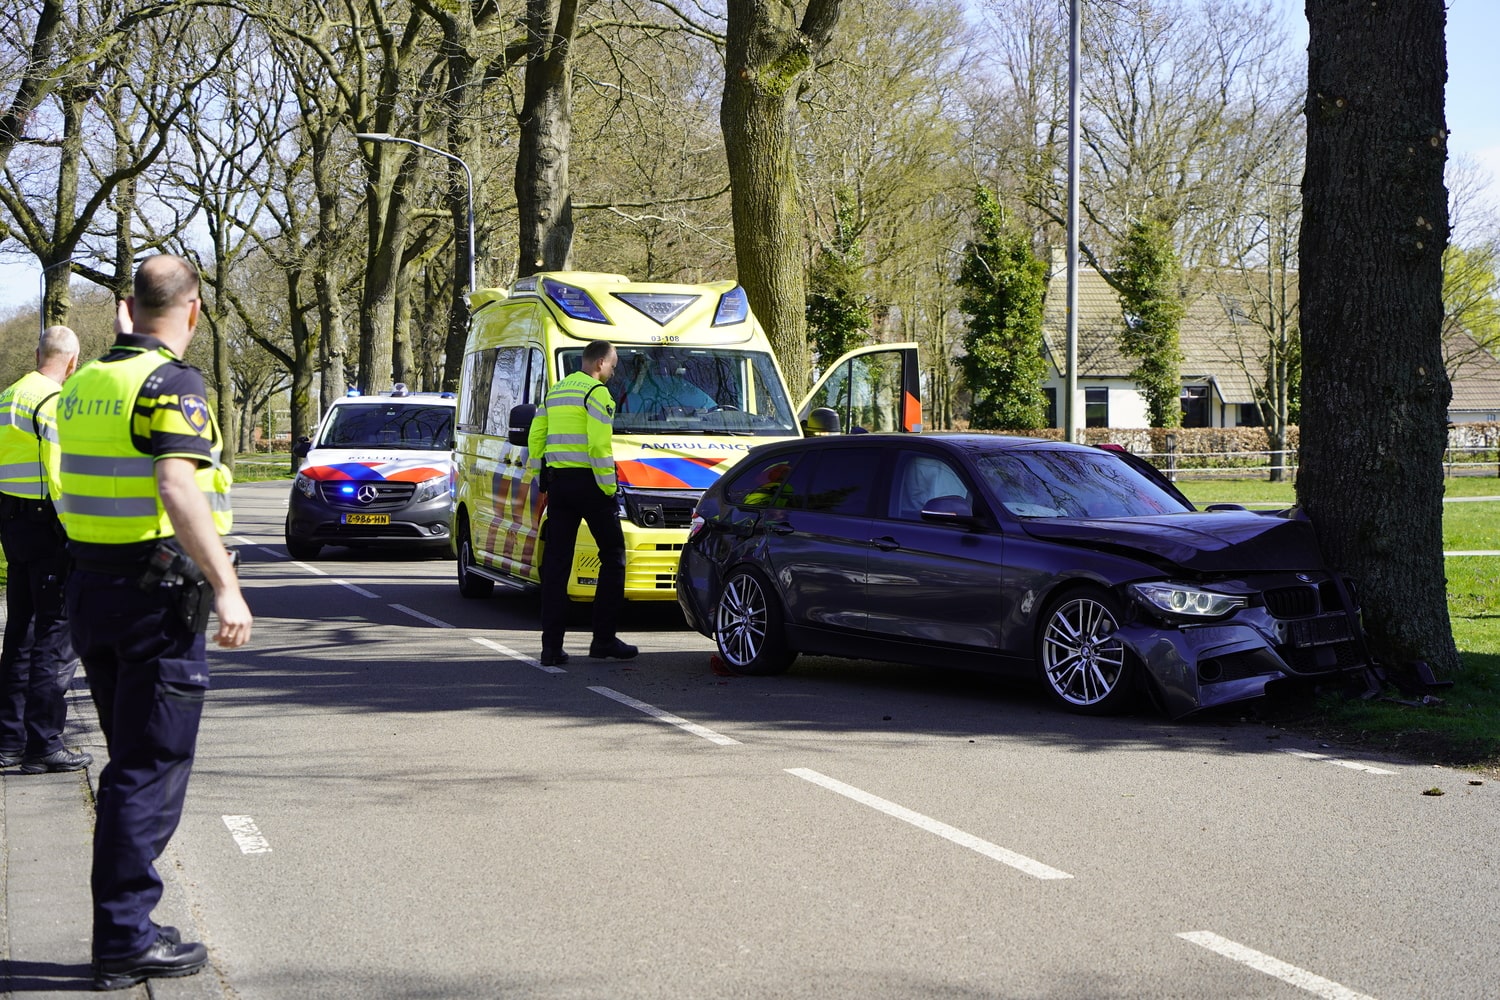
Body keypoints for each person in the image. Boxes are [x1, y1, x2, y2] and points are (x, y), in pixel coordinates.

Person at [56, 254, 252, 992]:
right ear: (194, 312)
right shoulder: (173, 384)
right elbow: (176, 483)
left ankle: (127, 924)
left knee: (128, 763)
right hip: (154, 599)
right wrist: (226, 587)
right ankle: (126, 938)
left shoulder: (85, 382)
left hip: (90, 591)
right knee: (150, 767)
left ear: (129, 310)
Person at [0, 325, 90, 774]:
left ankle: (7, 741)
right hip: (48, 527)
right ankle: (44, 744)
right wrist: (76, 531)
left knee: (20, 634)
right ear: (72, 362)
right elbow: (59, 475)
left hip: (13, 526)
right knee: (54, 636)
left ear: (38, 354)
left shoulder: (7, 396)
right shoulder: (52, 403)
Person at [528, 340, 638, 666]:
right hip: (591, 486)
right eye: (613, 365)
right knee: (614, 557)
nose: (614, 371)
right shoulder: (597, 394)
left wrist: (542, 478)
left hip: (559, 486)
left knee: (557, 565)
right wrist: (608, 489)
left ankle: (551, 648)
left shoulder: (556, 391)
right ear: (600, 363)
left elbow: (537, 437)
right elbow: (599, 446)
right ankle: (603, 640)